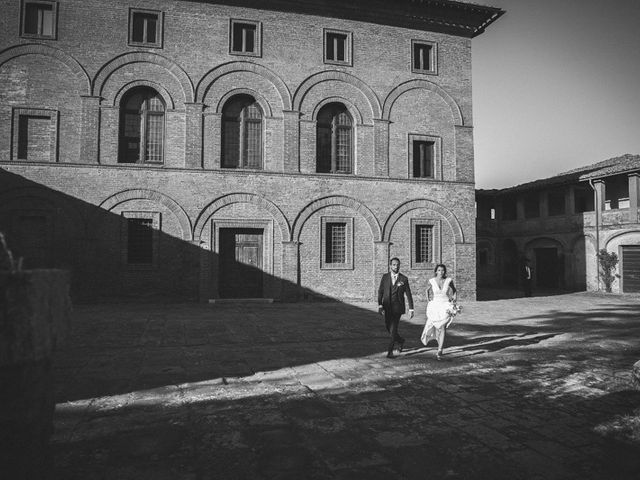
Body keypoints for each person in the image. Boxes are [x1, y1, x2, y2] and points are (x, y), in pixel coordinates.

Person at [378, 257, 414, 358]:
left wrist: (411, 309)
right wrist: (380, 305)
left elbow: (408, 294)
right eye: (394, 264)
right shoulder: (385, 277)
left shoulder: (404, 279)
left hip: (398, 308)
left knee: (393, 329)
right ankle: (401, 340)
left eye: (397, 264)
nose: (396, 266)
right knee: (388, 328)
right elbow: (380, 291)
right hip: (387, 307)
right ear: (390, 266)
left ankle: (390, 351)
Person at [421, 263, 457, 360]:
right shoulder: (432, 281)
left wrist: (454, 300)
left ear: (445, 271)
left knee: (443, 326)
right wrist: (429, 300)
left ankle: (440, 350)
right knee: (437, 327)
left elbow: (454, 290)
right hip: (435, 305)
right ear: (436, 271)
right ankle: (438, 343)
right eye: (439, 270)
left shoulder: (448, 280)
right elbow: (427, 290)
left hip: (445, 305)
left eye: (443, 270)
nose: (441, 272)